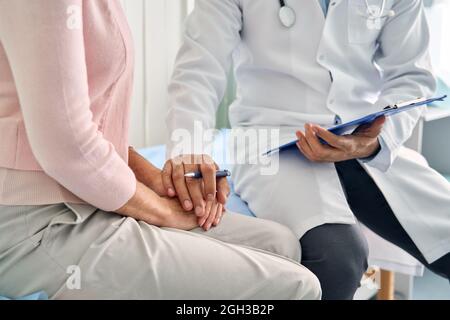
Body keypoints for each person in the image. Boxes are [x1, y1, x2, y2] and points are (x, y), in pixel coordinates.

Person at [0, 0, 321, 300]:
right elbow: (65, 145)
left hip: (85, 195)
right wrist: (161, 210)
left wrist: (155, 180)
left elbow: (85, 129)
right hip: (38, 221)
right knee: (297, 287)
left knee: (282, 244)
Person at [164, 0, 450, 300]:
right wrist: (189, 154)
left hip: (361, 136)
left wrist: (379, 139)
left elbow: (411, 76)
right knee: (338, 258)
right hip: (272, 141)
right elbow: (199, 69)